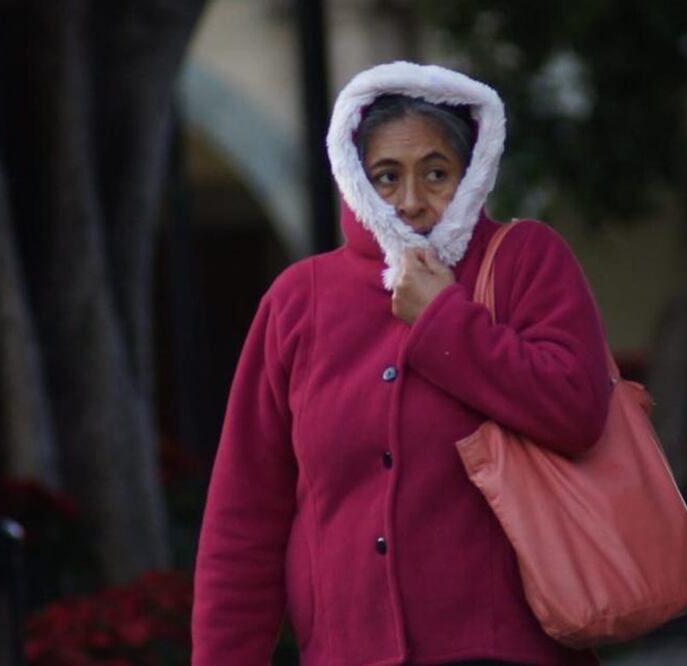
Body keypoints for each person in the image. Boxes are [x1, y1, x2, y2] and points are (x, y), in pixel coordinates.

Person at [192, 61, 613, 665]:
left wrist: (444, 317)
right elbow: (245, 516)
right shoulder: (298, 300)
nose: (412, 202)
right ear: (353, 179)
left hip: (510, 653)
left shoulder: (524, 260)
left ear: (473, 174)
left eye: (436, 173)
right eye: (386, 176)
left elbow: (575, 409)